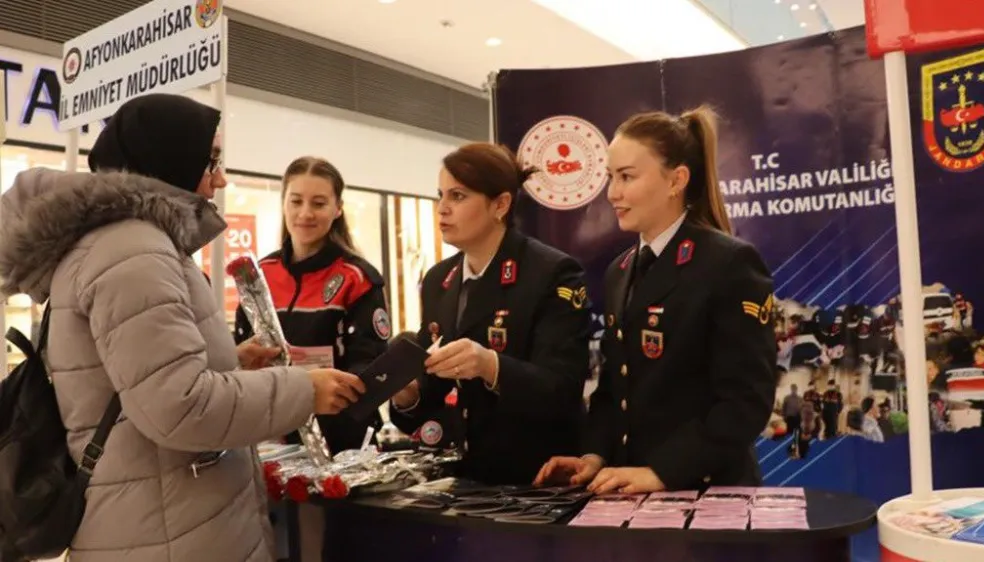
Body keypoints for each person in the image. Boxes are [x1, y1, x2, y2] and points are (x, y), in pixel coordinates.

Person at [0, 94, 365, 562]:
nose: (221, 178)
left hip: (163, 520)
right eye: (211, 160)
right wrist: (302, 390)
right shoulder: (131, 249)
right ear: (168, 157)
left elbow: (137, 380)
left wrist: (231, 362)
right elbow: (178, 408)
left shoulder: (127, 243)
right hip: (168, 531)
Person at [535, 107, 777, 494]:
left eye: (627, 177)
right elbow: (615, 388)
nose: (613, 193)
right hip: (632, 488)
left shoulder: (727, 263)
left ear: (676, 180)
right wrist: (594, 456)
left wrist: (661, 472)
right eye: (611, 177)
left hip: (706, 489)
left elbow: (745, 402)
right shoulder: (620, 269)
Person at [388, 142, 592, 485]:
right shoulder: (440, 279)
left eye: (458, 196)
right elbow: (432, 402)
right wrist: (407, 395)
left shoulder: (551, 272)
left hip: (538, 479)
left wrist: (490, 366)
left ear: (500, 205)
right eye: (441, 195)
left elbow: (562, 390)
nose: (442, 209)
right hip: (464, 478)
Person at [235, 156, 389, 454]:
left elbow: (369, 366)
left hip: (343, 446)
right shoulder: (257, 276)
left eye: (318, 203)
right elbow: (240, 354)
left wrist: (314, 389)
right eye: (296, 201)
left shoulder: (357, 278)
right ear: (284, 204)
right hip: (267, 439)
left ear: (338, 208)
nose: (305, 213)